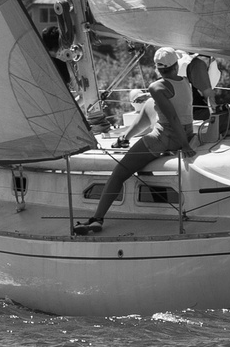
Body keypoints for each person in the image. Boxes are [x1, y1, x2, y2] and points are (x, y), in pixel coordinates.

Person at [75, 50, 195, 234]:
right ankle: (157, 200)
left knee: (119, 173)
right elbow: (178, 114)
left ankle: (97, 219)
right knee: (142, 160)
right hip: (186, 133)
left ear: (157, 68)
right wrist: (186, 142)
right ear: (176, 65)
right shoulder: (185, 81)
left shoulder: (157, 87)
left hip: (165, 139)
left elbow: (171, 118)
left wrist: (184, 146)